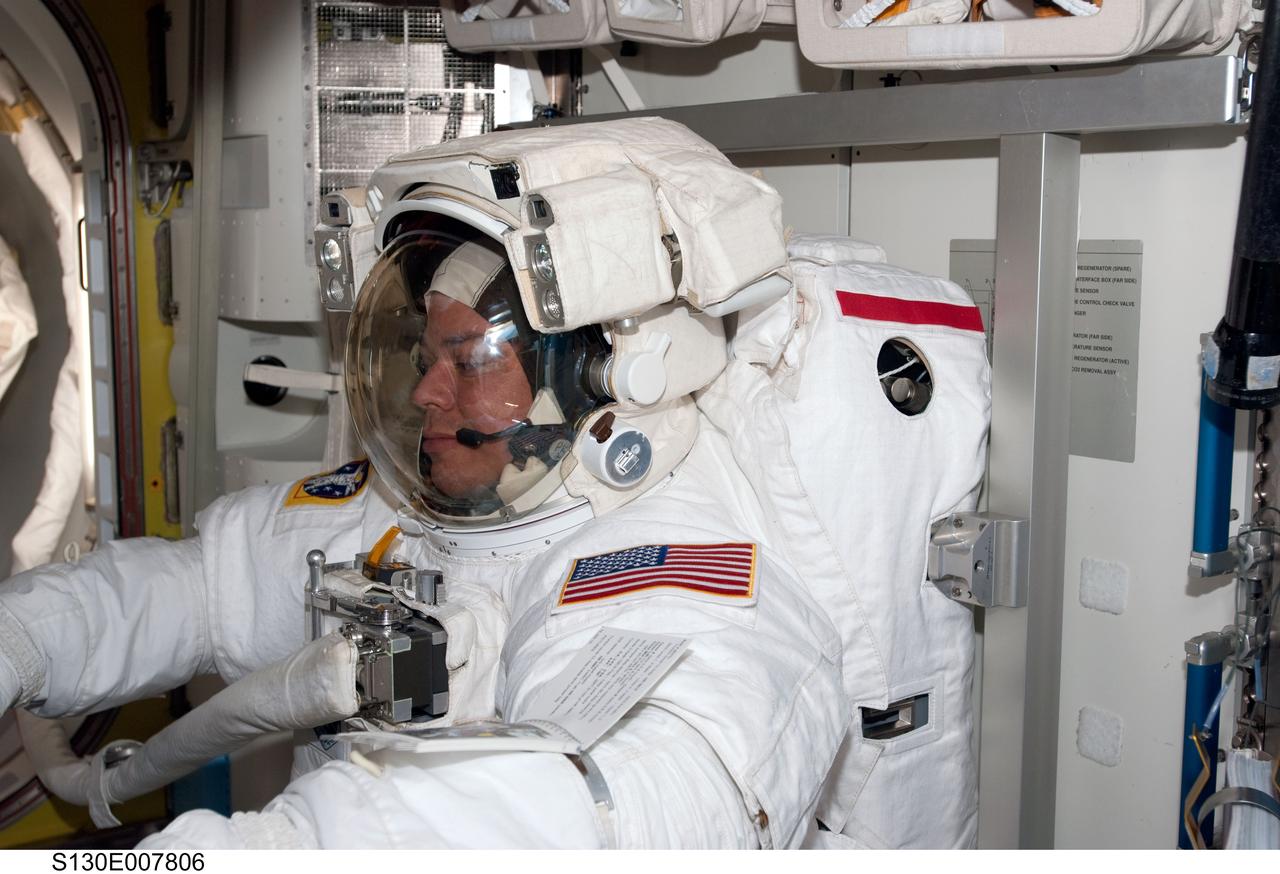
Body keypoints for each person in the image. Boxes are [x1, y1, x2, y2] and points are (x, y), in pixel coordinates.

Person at [0, 118, 987, 849]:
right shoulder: (395, 511)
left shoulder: (680, 579)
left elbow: (627, 804)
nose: (426, 392)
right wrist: (20, 639)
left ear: (605, 371)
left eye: (467, 358)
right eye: (421, 353)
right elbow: (183, 594)